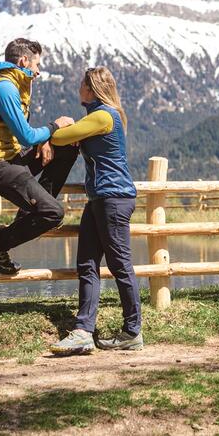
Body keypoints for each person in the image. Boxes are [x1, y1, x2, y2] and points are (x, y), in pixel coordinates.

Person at [49, 66, 142, 354]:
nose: (78, 88)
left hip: (113, 198)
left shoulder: (103, 116)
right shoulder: (97, 117)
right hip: (99, 199)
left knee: (119, 265)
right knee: (87, 264)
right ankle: (83, 331)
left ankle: (132, 331)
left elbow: (59, 138)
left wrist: (59, 125)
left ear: (91, 88)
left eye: (81, 85)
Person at [0, 38, 77, 274]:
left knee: (67, 146)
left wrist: (48, 139)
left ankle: (32, 209)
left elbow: (22, 136)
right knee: (54, 213)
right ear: (24, 61)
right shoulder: (4, 87)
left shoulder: (15, 84)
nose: (38, 71)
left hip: (8, 157)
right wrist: (54, 126)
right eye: (37, 64)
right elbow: (26, 136)